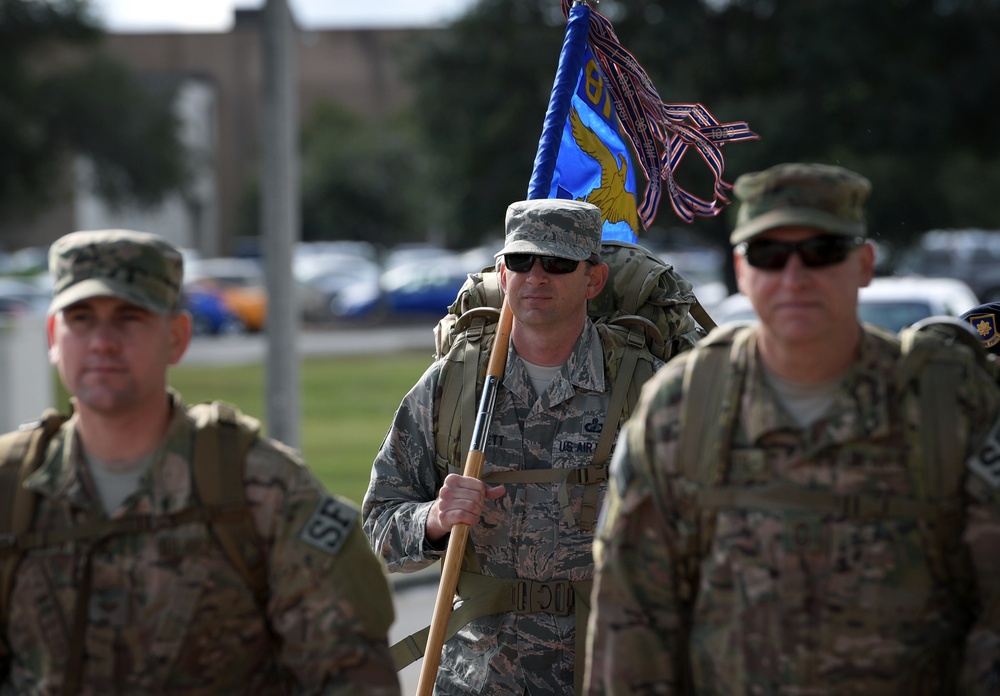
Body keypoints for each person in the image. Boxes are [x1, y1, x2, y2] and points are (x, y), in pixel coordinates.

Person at [585, 163, 1000, 694]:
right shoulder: (682, 410)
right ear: (742, 268)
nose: (796, 276)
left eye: (823, 252)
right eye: (770, 256)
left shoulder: (947, 401)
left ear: (864, 263)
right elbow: (631, 622)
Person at [0, 229, 401, 695]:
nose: (102, 342)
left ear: (177, 336)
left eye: (129, 317)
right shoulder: (11, 490)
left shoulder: (259, 491)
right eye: (81, 318)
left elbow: (352, 676)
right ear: (53, 335)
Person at [363, 199, 696, 695]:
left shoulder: (643, 388)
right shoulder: (452, 385)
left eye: (558, 263)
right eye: (521, 261)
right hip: (479, 678)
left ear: (594, 280)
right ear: (502, 272)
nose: (537, 276)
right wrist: (433, 520)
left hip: (609, 669)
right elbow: (377, 531)